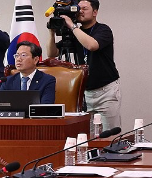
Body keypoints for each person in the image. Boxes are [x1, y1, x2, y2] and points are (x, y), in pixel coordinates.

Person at [47, 0, 120, 130]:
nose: (80, 11)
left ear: (95, 12)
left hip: (106, 92)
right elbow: (52, 53)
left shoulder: (103, 29)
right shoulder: (75, 33)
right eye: (78, 8)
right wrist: (52, 33)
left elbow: (92, 45)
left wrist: (72, 26)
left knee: (110, 134)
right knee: (89, 135)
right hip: (86, 93)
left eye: (84, 9)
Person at [0, 41, 56, 110]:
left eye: (23, 55)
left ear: (35, 60)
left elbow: (46, 106)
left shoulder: (47, 80)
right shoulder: (8, 81)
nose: (18, 59)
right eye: (17, 55)